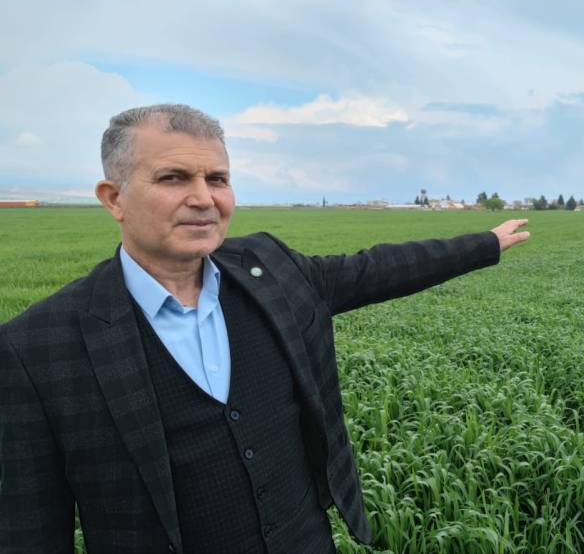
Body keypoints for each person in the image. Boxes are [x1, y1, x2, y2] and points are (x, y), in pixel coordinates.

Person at [0, 104, 529, 554]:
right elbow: (28, 530)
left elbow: (375, 269)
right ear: (113, 198)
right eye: (173, 178)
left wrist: (484, 244)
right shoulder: (37, 347)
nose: (204, 198)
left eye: (218, 179)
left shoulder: (269, 269)